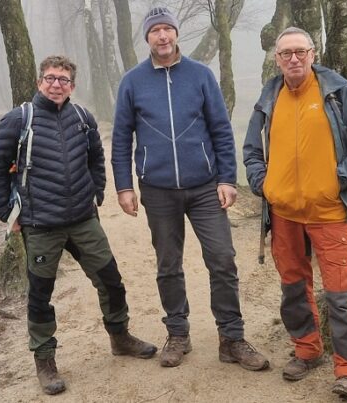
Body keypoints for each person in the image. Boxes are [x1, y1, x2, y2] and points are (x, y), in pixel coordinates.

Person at [0, 55, 157, 396]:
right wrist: (10, 214)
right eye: (50, 78)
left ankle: (120, 337)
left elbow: (96, 157)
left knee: (111, 281)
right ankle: (45, 359)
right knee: (40, 296)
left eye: (63, 80)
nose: (56, 84)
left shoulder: (83, 118)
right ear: (39, 82)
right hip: (40, 225)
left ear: (72, 86)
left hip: (82, 220)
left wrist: (97, 191)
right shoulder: (19, 120)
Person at [111, 7, 269, 371]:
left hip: (204, 188)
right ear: (147, 37)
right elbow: (121, 138)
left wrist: (227, 178)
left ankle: (231, 338)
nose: (162, 36)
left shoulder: (200, 75)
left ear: (176, 34)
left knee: (222, 259)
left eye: (168, 29)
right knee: (168, 265)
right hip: (157, 190)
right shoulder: (132, 82)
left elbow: (220, 130)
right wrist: (124, 186)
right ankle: (178, 334)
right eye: (155, 31)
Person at [243, 27, 347, 399]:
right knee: (292, 288)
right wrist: (263, 183)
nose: (293, 59)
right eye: (285, 53)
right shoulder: (269, 98)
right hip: (284, 212)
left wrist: (339, 180)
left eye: (299, 51)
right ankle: (306, 351)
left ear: (313, 53)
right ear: (277, 59)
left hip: (330, 211)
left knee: (341, 293)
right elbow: (252, 148)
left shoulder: (338, 93)